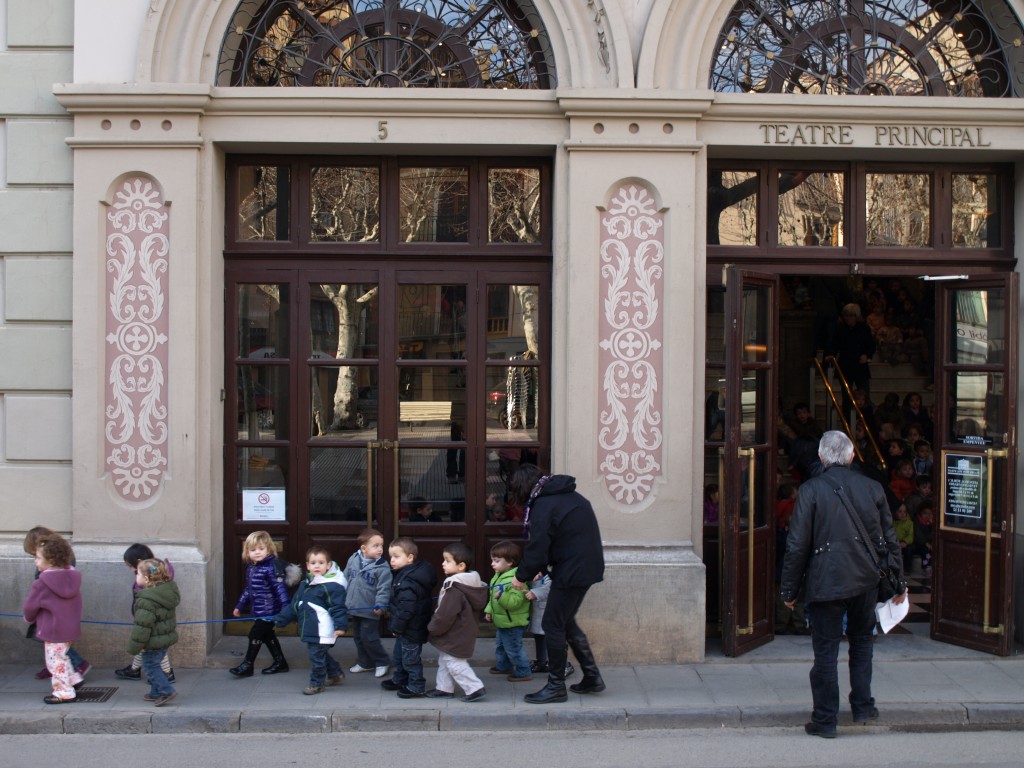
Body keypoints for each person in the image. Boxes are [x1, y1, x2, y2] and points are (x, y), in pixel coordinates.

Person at [780, 431, 907, 738]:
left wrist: (789, 590)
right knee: (862, 642)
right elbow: (889, 540)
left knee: (825, 651)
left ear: (822, 458)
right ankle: (863, 706)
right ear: (851, 457)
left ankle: (825, 720)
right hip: (865, 581)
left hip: (826, 581)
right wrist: (899, 583)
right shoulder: (873, 487)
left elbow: (797, 545)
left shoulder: (810, 490)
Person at [508, 464, 605, 704]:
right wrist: (540, 568)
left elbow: (538, 546)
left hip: (572, 571)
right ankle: (592, 677)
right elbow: (563, 537)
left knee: (552, 624)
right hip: (584, 567)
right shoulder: (570, 497)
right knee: (565, 621)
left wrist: (521, 577)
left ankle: (556, 686)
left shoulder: (544, 504)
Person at [275, 545, 348, 695]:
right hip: (310, 626)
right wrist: (281, 619)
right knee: (320, 654)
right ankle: (335, 673)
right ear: (308, 565)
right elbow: (295, 604)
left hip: (321, 628)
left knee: (317, 658)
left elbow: (338, 607)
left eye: (321, 563)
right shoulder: (306, 583)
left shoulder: (332, 586)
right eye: (313, 563)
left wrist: (340, 625)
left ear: (328, 565)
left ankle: (317, 683)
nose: (317, 566)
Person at [23, 526, 90, 683]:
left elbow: (30, 606)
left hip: (51, 628)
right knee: (62, 658)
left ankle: (63, 692)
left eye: (37, 558)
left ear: (49, 560)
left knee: (56, 663)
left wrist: (28, 618)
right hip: (69, 627)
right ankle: (74, 679)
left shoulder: (42, 582)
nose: (35, 561)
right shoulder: (73, 577)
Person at [425, 542, 489, 702]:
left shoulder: (455, 588)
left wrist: (433, 627)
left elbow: (446, 614)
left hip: (455, 632)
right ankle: (444, 688)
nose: (442, 563)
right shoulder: (468, 584)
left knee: (454, 662)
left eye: (447, 560)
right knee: (446, 659)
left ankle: (474, 688)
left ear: (461, 566)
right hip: (462, 630)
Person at [230, 530, 293, 677]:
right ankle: (280, 662)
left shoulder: (271, 568)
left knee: (255, 634)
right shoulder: (252, 568)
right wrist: (239, 605)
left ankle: (248, 665)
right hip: (259, 609)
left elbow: (280, 589)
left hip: (269, 610)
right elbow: (249, 589)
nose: (257, 552)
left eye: (261, 549)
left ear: (269, 549)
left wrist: (285, 609)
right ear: (247, 552)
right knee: (267, 636)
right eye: (253, 550)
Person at [380, 537, 437, 699]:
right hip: (407, 626)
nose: (392, 560)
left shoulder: (408, 581)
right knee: (399, 655)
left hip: (411, 627)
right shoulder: (406, 574)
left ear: (410, 557)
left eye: (396, 556)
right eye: (391, 556)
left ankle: (416, 685)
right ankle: (401, 678)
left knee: (410, 658)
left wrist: (396, 626)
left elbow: (407, 608)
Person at [116, 543, 176, 683]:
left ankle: (166, 674)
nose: (132, 571)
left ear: (138, 563)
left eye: (131, 566)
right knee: (148, 646)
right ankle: (134, 669)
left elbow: (145, 606)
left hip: (150, 620)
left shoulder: (145, 583)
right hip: (159, 619)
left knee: (152, 646)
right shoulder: (159, 573)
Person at [127, 559, 179, 707]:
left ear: (146, 579)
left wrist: (134, 646)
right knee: (155, 664)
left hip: (153, 641)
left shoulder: (147, 601)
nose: (136, 577)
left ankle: (166, 690)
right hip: (164, 638)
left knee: (150, 666)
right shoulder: (166, 593)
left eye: (137, 574)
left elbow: (142, 627)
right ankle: (155, 692)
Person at [343, 528, 392, 678]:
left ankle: (382, 661)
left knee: (369, 637)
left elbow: (384, 588)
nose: (380, 549)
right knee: (358, 637)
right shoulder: (353, 559)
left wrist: (381, 605)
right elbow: (345, 579)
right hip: (354, 607)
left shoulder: (382, 567)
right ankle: (365, 662)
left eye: (381, 546)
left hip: (370, 609)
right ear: (364, 548)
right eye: (375, 546)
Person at [484, 540, 533, 683]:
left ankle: (524, 671)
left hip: (513, 622)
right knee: (501, 645)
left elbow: (515, 603)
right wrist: (489, 610)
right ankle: (504, 666)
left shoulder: (516, 579)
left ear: (510, 562)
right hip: (502, 620)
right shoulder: (498, 575)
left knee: (513, 648)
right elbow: (492, 598)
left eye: (497, 561)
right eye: (492, 560)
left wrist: (502, 596)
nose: (493, 564)